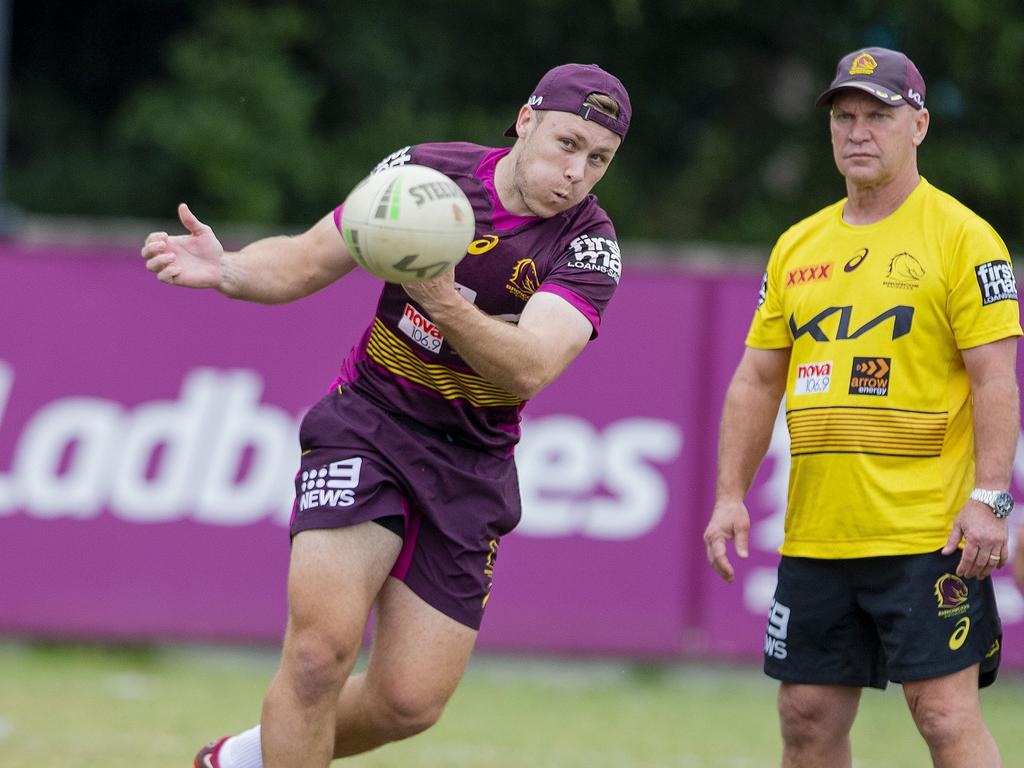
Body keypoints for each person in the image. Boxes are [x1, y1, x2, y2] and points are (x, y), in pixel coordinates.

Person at [141, 63, 630, 768]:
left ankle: (243, 758)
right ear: (526, 120)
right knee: (318, 656)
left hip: (471, 464)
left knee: (409, 703)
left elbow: (529, 366)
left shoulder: (588, 243)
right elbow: (307, 261)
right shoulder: (422, 177)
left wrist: (443, 298)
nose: (576, 172)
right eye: (567, 143)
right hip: (369, 424)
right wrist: (229, 270)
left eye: (598, 160)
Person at [703, 47, 1020, 768]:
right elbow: (757, 379)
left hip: (927, 536)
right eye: (845, 116)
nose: (858, 131)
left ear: (920, 126)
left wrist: (991, 500)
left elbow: (995, 381)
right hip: (819, 533)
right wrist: (729, 495)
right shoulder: (798, 244)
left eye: (879, 115)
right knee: (806, 719)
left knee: (943, 716)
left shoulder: (964, 237)